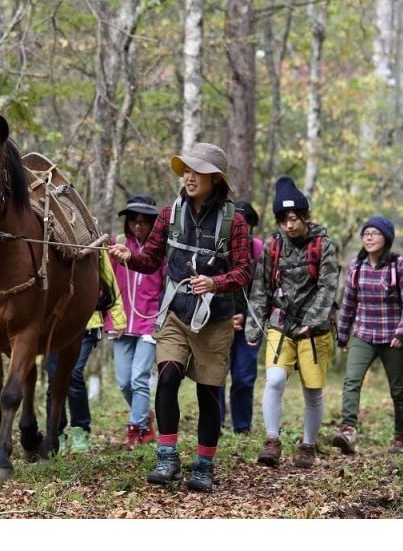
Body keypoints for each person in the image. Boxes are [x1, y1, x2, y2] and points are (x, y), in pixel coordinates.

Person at [109, 142, 250, 493]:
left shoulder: (235, 221)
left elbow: (246, 271)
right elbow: (153, 258)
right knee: (167, 377)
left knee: (208, 394)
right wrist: (129, 256)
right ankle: (167, 456)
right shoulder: (168, 214)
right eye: (186, 170)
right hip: (175, 314)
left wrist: (216, 282)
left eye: (197, 171)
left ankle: (203, 465)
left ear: (215, 179)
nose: (188, 177)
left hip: (215, 320)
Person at [245, 176, 339, 469]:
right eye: (284, 219)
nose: (289, 225)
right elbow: (260, 290)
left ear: (304, 216)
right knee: (274, 380)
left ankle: (308, 445)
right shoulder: (272, 247)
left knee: (312, 390)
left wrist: (313, 320)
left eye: (294, 218)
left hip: (315, 329)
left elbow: (328, 285)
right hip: (280, 324)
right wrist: (253, 326)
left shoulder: (324, 245)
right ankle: (272, 440)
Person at [332, 215, 403, 455]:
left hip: (393, 337)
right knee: (351, 381)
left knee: (398, 388)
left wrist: (402, 331)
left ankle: (401, 438)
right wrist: (342, 335)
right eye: (366, 234)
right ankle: (348, 431)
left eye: (375, 233)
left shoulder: (399, 265)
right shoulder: (356, 267)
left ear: (386, 238)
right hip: (364, 333)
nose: (369, 238)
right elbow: (348, 302)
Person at [45, 248, 126, 453]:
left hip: (86, 322)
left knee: (73, 375)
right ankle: (56, 432)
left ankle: (81, 429)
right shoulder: (49, 241)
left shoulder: (89, 241)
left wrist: (118, 318)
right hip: (53, 324)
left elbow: (109, 279)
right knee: (53, 378)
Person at [106, 195, 166, 447]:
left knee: (139, 376)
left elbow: (166, 285)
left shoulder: (161, 250)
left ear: (154, 224)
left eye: (144, 221)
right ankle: (144, 415)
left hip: (149, 321)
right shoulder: (118, 244)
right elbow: (107, 281)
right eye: (133, 221)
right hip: (121, 322)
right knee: (123, 381)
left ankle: (137, 428)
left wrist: (161, 319)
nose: (138, 226)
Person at [218, 200, 264, 434]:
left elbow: (265, 291)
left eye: (244, 225)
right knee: (214, 375)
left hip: (250, 324)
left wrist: (246, 316)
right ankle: (214, 424)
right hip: (219, 320)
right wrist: (226, 316)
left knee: (244, 377)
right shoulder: (216, 249)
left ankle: (242, 427)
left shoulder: (259, 251)